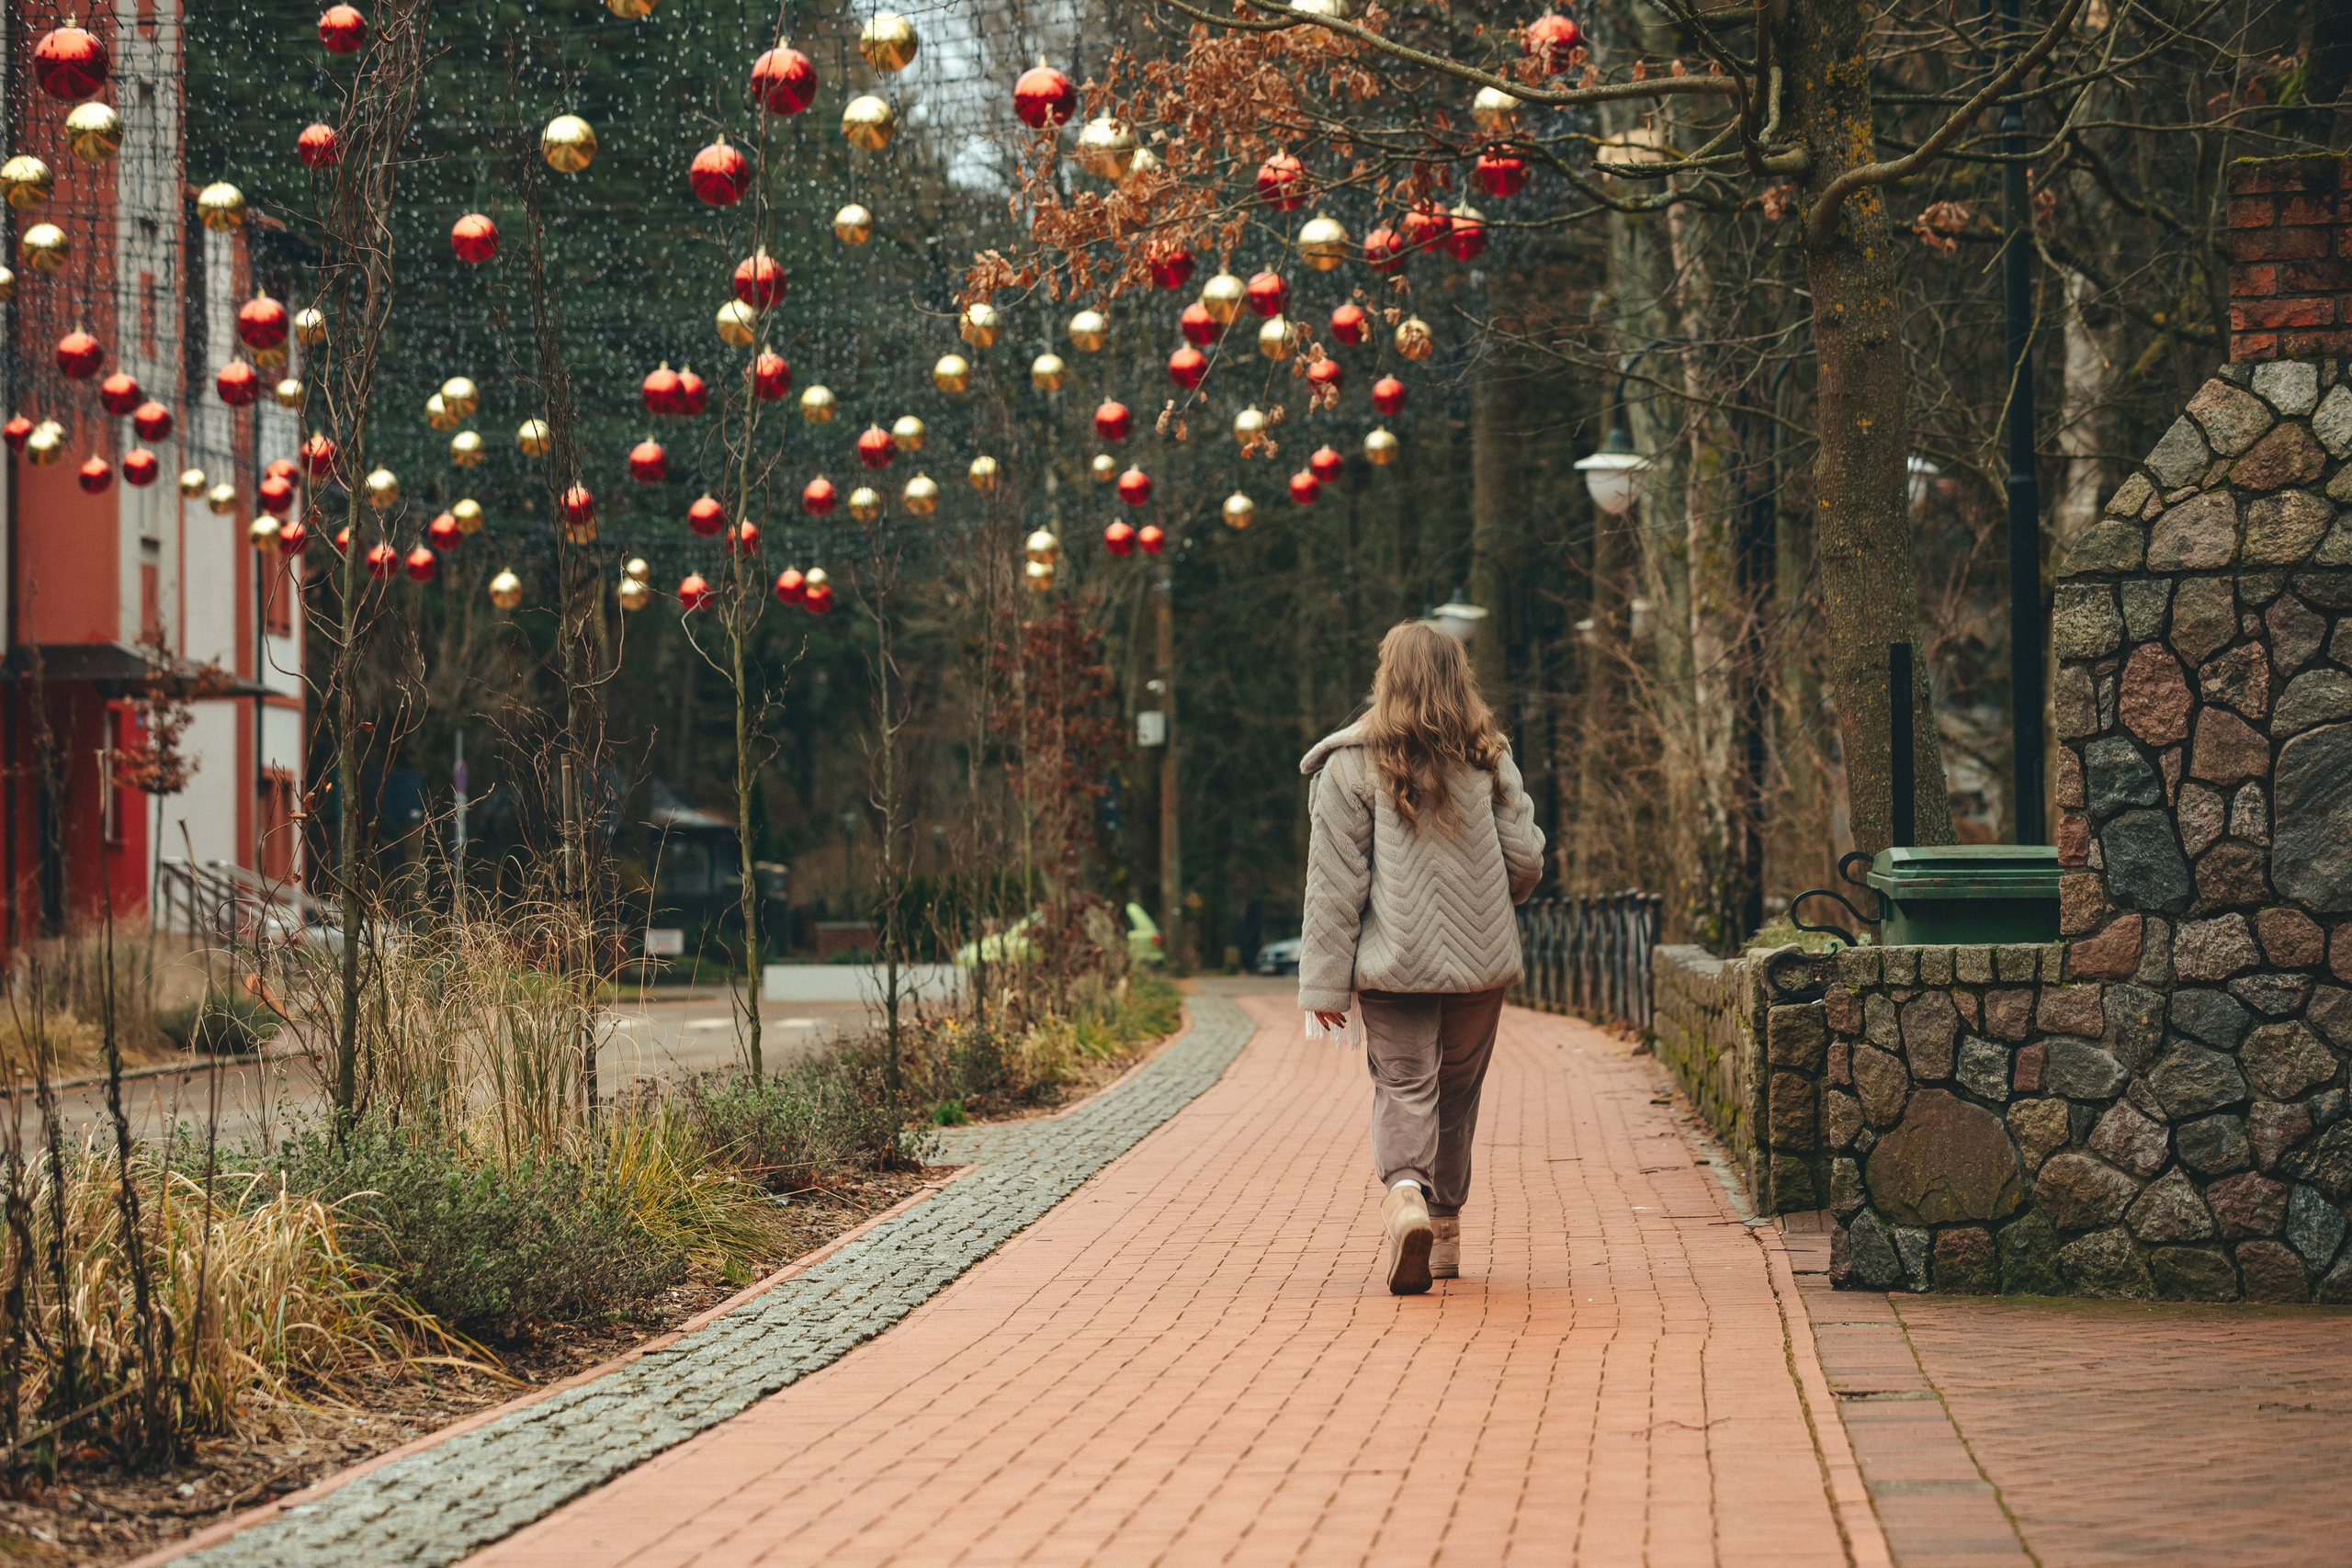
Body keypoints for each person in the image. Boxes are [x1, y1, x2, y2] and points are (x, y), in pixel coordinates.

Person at [1297, 620, 1545, 1294]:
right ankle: (1443, 1233)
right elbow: (1525, 859)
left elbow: (1334, 886)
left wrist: (1324, 984)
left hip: (1394, 962)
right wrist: (1492, 897)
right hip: (1481, 963)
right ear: (1458, 678)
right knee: (1457, 1094)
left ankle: (1405, 1193)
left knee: (1404, 1083)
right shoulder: (1489, 757)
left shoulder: (1349, 765)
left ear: (1388, 677)